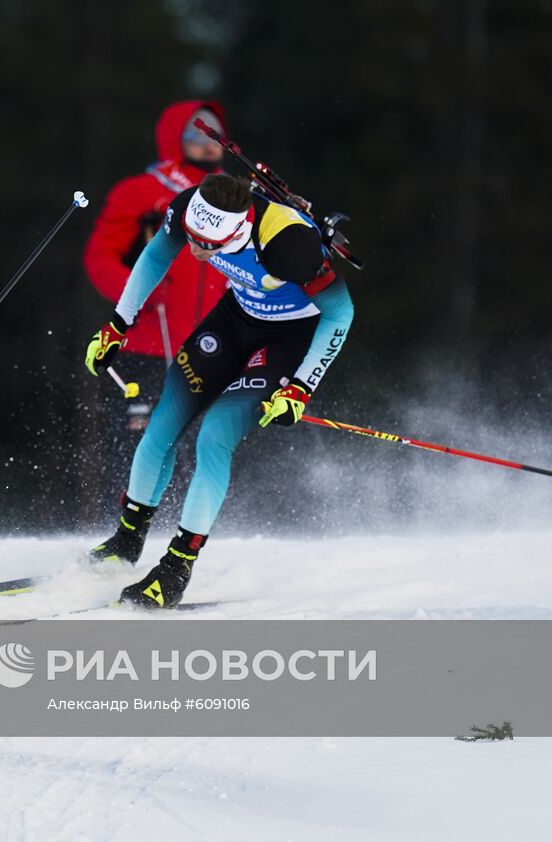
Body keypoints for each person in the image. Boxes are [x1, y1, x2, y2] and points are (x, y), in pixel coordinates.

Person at [84, 172, 355, 608]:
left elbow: (340, 314)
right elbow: (156, 256)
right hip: (233, 320)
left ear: (240, 228)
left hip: (287, 339)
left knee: (214, 437)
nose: (195, 250)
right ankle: (126, 541)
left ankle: (175, 570)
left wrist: (301, 387)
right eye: (193, 236)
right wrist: (119, 324)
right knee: (162, 426)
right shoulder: (193, 204)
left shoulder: (288, 245)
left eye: (208, 246)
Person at [82, 101, 231, 426]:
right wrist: (139, 292)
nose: (207, 146)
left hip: (215, 350)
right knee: (140, 455)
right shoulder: (140, 192)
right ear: (174, 140)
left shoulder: (235, 199)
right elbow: (99, 258)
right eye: (196, 136)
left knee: (212, 451)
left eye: (214, 137)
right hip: (148, 348)